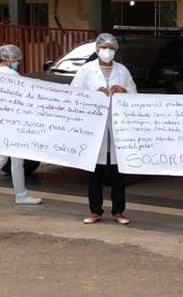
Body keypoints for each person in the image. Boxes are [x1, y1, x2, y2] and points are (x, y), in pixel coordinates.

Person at [71, 33, 137, 225]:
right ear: (97, 49)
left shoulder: (122, 71)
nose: (107, 51)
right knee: (95, 170)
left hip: (117, 125)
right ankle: (95, 211)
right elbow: (74, 94)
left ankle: (118, 211)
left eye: (111, 48)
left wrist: (123, 91)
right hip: (94, 126)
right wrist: (94, 94)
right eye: (104, 47)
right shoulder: (86, 70)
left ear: (115, 50)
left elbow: (135, 95)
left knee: (118, 170)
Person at [0, 45, 43, 206]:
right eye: (16, 60)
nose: (17, 62)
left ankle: (20, 193)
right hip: (13, 122)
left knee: (15, 159)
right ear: (8, 59)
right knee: (3, 158)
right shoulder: (12, 75)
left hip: (1, 121)